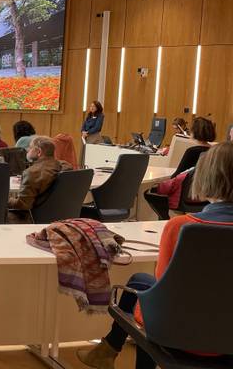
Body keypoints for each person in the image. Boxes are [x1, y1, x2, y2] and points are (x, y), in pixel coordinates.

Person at [77, 142, 233, 369]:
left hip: (178, 332)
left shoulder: (181, 227)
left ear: (206, 175)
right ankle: (106, 351)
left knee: (143, 288)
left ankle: (108, 350)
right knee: (142, 283)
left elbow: (163, 287)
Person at [8, 135, 72, 212]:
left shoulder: (31, 173)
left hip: (32, 218)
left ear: (39, 152)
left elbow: (23, 205)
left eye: (30, 147)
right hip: (59, 213)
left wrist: (6, 199)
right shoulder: (65, 166)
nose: (27, 150)